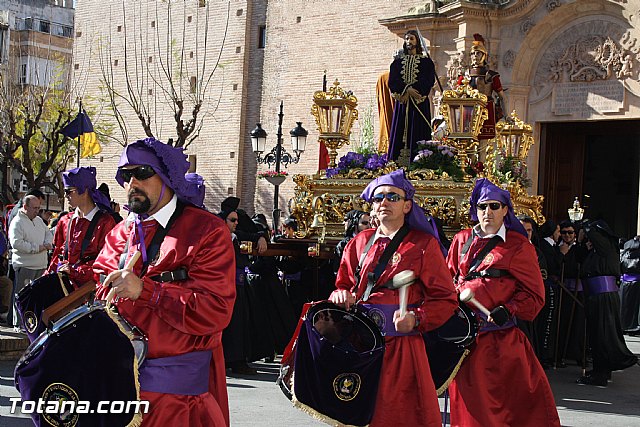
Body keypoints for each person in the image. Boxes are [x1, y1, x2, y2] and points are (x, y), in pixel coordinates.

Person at [93, 137, 235, 426]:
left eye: (142, 173)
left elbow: (215, 311)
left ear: (166, 175)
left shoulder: (207, 231)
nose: (132, 182)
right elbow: (101, 298)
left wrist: (148, 291)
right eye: (125, 174)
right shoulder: (120, 233)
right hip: (115, 389)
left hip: (177, 403)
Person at [330, 169, 457, 426]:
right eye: (378, 198)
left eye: (392, 197)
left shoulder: (423, 245)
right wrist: (340, 294)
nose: (384, 202)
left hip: (401, 346)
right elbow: (343, 284)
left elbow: (445, 298)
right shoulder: (359, 242)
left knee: (400, 415)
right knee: (357, 413)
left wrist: (417, 318)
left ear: (407, 205)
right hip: (360, 343)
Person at [446, 178, 560, 427]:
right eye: (482, 206)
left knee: (503, 412)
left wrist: (509, 309)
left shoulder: (519, 246)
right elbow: (447, 282)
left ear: (506, 210)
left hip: (500, 343)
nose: (487, 212)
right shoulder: (462, 240)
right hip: (464, 343)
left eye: (494, 206)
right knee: (467, 412)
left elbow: (534, 295)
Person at [576, 219, 638, 386]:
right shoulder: (596, 252)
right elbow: (579, 256)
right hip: (596, 297)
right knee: (598, 335)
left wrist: (586, 226)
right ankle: (601, 370)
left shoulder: (606, 247)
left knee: (602, 335)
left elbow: (594, 235)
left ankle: (601, 374)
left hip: (603, 297)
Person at [46, 167, 116, 287]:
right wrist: (46, 278)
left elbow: (107, 263)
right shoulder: (64, 221)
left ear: (84, 191)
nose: (65, 196)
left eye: (69, 191)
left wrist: (75, 271)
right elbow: (57, 255)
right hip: (64, 290)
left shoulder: (106, 222)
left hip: (91, 291)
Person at [387, 30, 436, 165]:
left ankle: (420, 162)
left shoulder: (426, 63)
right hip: (402, 103)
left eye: (412, 39)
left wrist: (417, 91)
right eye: (407, 39)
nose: (409, 41)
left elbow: (428, 80)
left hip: (418, 104)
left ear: (417, 42)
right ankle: (395, 162)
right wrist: (406, 89)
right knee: (399, 131)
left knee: (418, 131)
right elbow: (393, 81)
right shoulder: (397, 63)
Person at [8, 195, 53, 330]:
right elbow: (16, 243)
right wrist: (37, 248)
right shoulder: (17, 222)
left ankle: (32, 325)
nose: (36, 211)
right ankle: (19, 324)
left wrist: (47, 243)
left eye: (38, 208)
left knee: (36, 298)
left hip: (40, 265)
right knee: (22, 297)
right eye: (34, 208)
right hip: (25, 265)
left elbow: (48, 234)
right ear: (25, 207)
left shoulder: (39, 221)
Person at [459, 33, 506, 139]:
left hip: (486, 110)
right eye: (473, 54)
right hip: (468, 110)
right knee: (467, 142)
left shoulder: (491, 75)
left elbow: (502, 96)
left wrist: (506, 115)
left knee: (482, 144)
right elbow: (456, 94)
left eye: (478, 53)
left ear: (484, 56)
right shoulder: (465, 75)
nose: (475, 56)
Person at [620, 235, 640, 335]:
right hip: (636, 282)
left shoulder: (624, 254)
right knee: (634, 309)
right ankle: (634, 326)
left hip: (625, 282)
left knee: (625, 306)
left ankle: (624, 325)